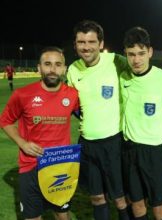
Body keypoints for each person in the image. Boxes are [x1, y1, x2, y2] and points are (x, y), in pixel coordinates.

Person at [0, 47, 79, 220]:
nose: (52, 69)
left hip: (60, 165)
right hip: (31, 166)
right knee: (33, 217)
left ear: (64, 68)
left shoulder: (73, 95)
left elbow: (87, 116)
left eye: (58, 64)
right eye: (47, 64)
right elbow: (5, 121)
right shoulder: (22, 94)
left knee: (62, 216)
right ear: (39, 68)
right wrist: (22, 143)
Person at [66, 20, 130, 220]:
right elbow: (73, 103)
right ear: (75, 45)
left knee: (120, 198)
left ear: (101, 44)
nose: (86, 47)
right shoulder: (73, 69)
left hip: (114, 142)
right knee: (97, 198)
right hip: (87, 144)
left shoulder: (117, 61)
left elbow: (142, 76)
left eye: (91, 41)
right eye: (81, 42)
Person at [120, 26, 162, 220]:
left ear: (150, 52)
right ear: (125, 54)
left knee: (158, 202)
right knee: (136, 200)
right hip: (129, 149)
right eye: (131, 54)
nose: (136, 59)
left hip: (154, 151)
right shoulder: (123, 77)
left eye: (141, 53)